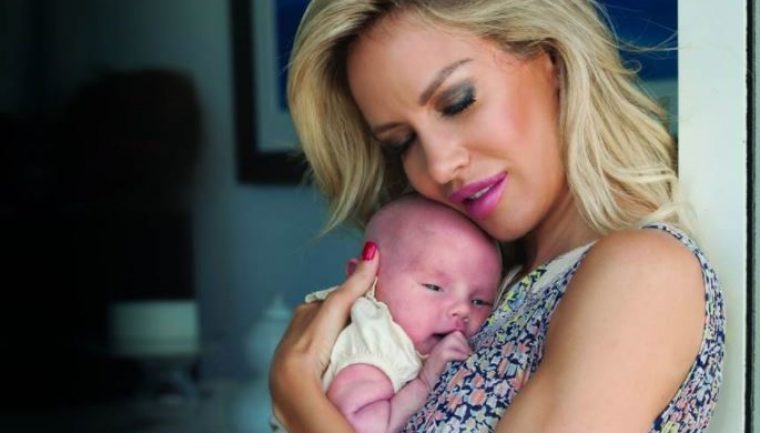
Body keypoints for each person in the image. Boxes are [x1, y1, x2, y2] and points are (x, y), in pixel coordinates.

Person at [271, 1, 725, 432]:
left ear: (550, 58)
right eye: (403, 142)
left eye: (457, 102)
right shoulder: (489, 293)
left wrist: (298, 393)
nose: (439, 166)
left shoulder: (642, 273)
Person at [273, 195, 502, 433]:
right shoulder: (377, 346)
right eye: (434, 287)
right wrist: (423, 384)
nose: (463, 309)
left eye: (479, 301)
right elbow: (358, 426)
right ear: (367, 281)